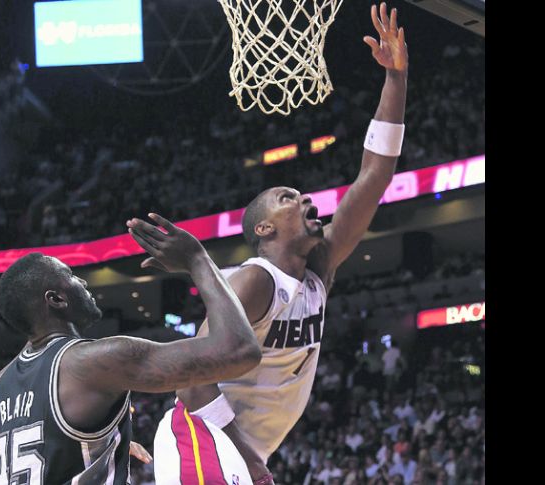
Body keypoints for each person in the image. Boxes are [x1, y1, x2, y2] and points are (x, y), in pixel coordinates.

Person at [144, 3, 410, 482]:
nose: (305, 198)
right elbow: (189, 381)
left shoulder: (318, 272)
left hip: (238, 450)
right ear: (263, 229)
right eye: (288, 198)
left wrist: (395, 79)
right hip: (200, 436)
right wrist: (246, 456)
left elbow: (375, 175)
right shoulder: (254, 281)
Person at [0, 213, 262, 484]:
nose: (84, 283)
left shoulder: (6, 388)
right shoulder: (95, 361)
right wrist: (198, 260)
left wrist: (31, 351)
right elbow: (239, 350)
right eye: (73, 276)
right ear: (56, 300)